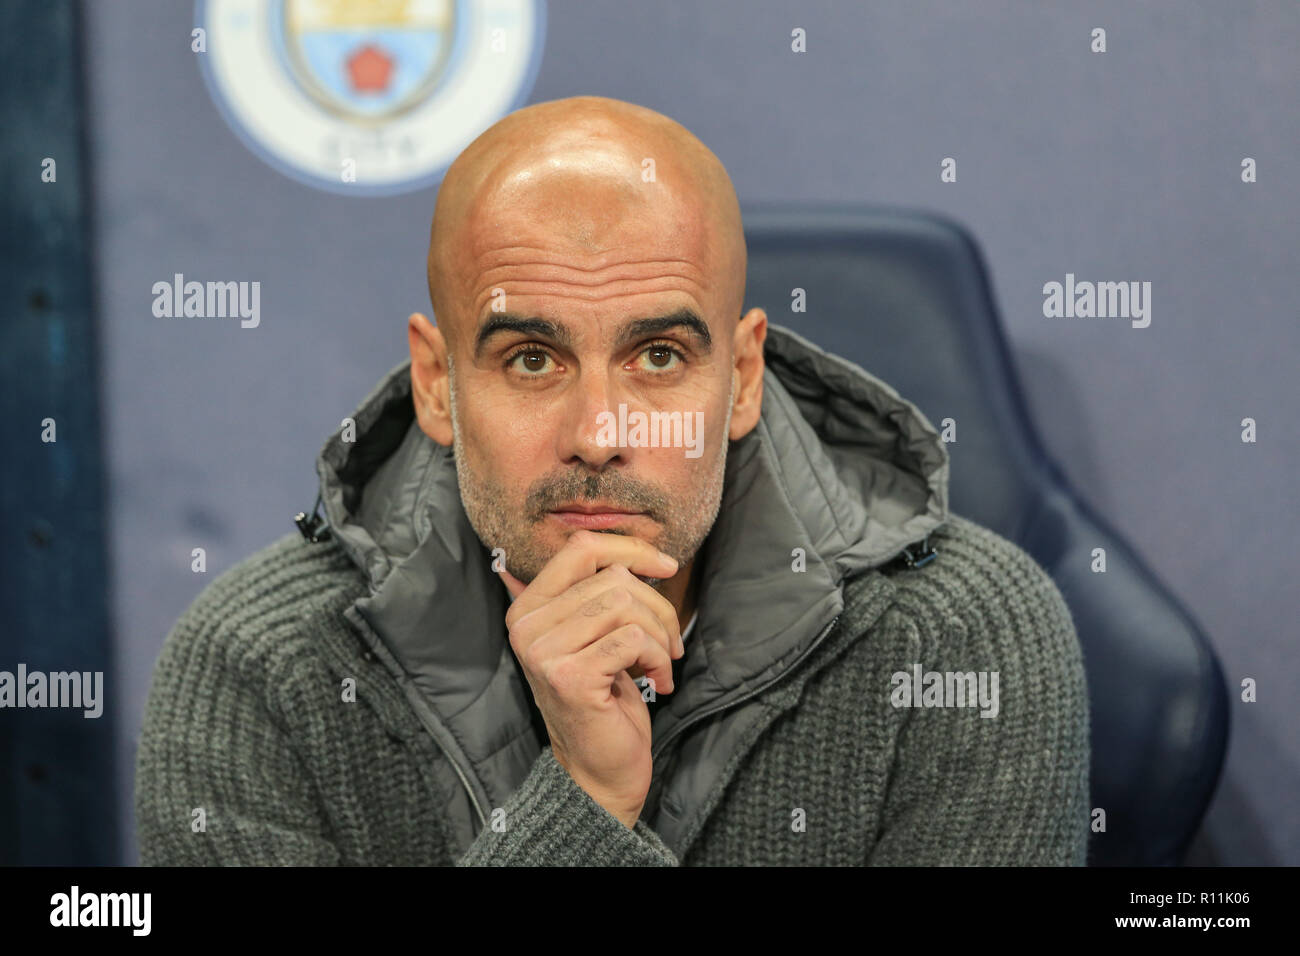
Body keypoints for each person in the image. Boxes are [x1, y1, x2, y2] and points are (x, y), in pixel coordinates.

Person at [135, 95, 1090, 866]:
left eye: (661, 357)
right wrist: (585, 809)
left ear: (744, 378)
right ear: (437, 384)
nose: (599, 433)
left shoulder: (961, 637)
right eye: (532, 361)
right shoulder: (258, 671)